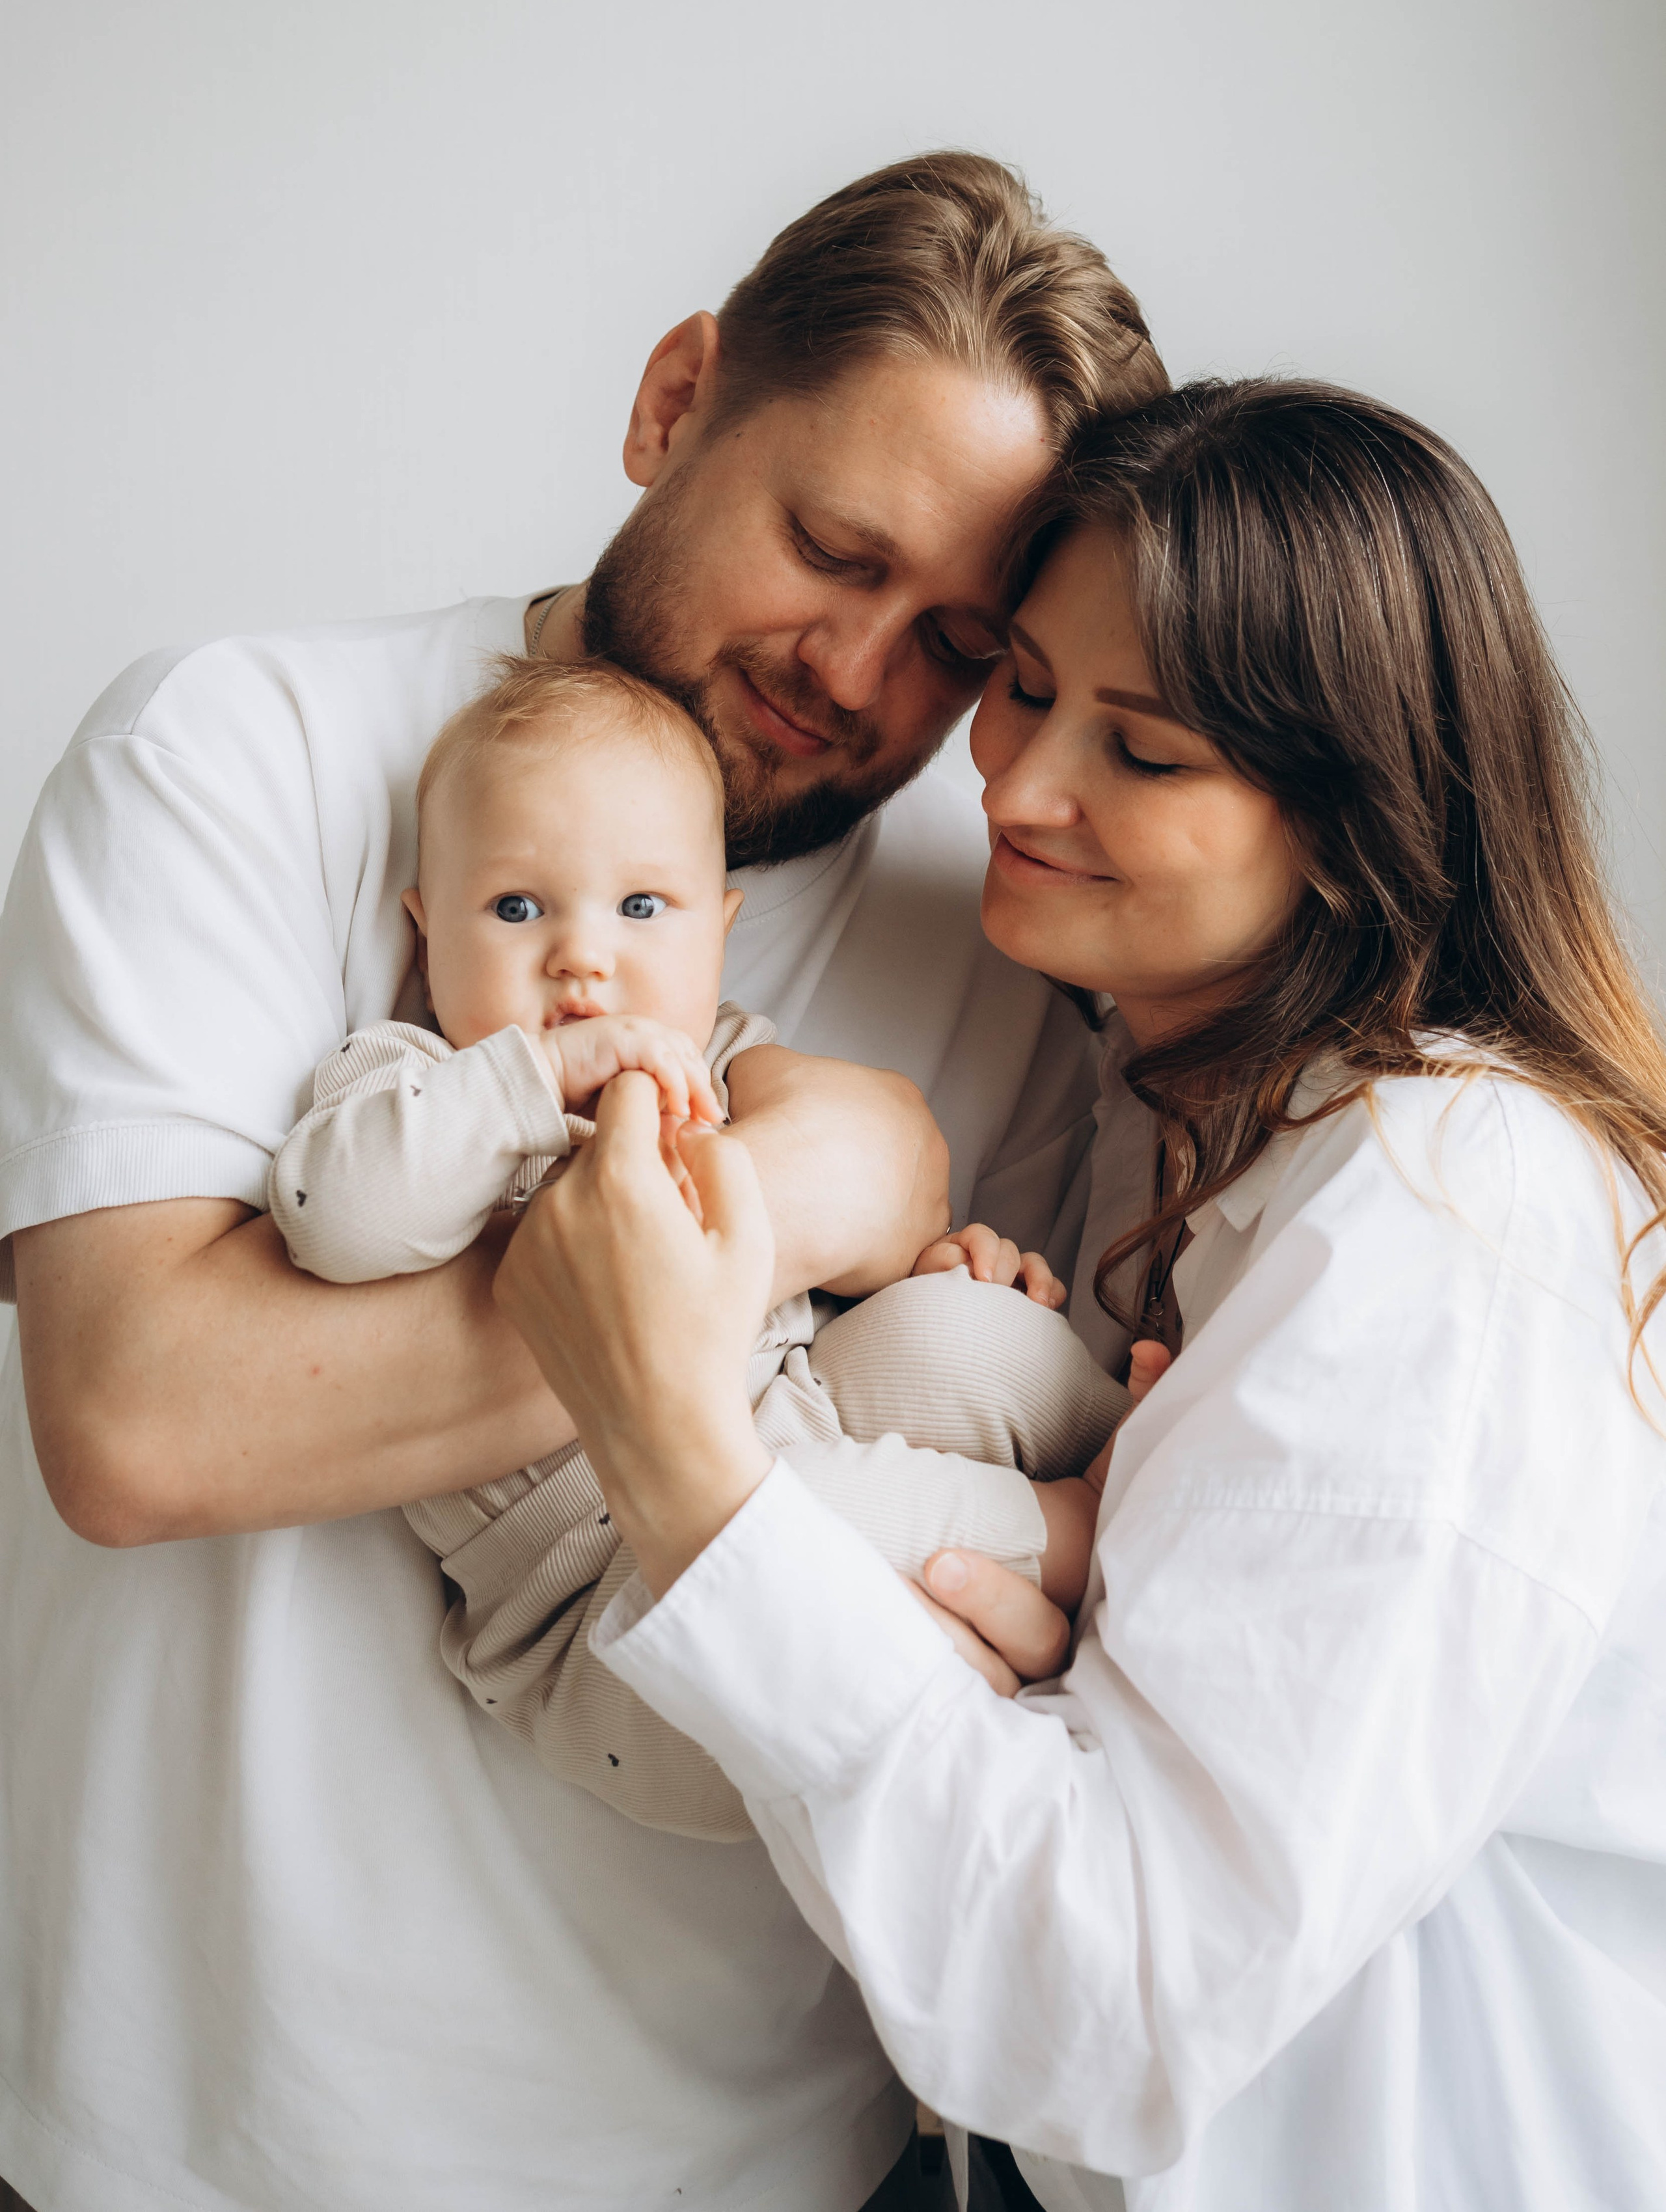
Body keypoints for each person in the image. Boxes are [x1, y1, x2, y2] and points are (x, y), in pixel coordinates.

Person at [0, 152, 1166, 2212]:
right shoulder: (240, 753)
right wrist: (804, 1206)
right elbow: (136, 1415)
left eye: (957, 640)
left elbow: (1007, 1582)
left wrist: (925, 1235)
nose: (858, 670)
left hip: (763, 2152)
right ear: (674, 398)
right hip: (192, 2142)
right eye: (829, 545)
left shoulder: (998, 956)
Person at [493, 378, 1666, 2212]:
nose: (1018, 788)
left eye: (1148, 749)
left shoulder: (1448, 1209)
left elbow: (1108, 2003)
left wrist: (681, 1459)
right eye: (1024, 686)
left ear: (1352, 820)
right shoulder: (1145, 1095)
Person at [273, 649, 1123, 1840]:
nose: (581, 957)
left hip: (799, 1410)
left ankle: (1134, 1438)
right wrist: (531, 1083)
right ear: (426, 932)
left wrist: (934, 1276)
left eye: (640, 909)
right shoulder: (417, 1084)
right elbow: (333, 1217)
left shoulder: (725, 1067)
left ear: (718, 931)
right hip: (606, 1615)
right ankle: (1098, 1533)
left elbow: (860, 1235)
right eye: (516, 909)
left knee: (964, 1339)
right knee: (814, 1520)